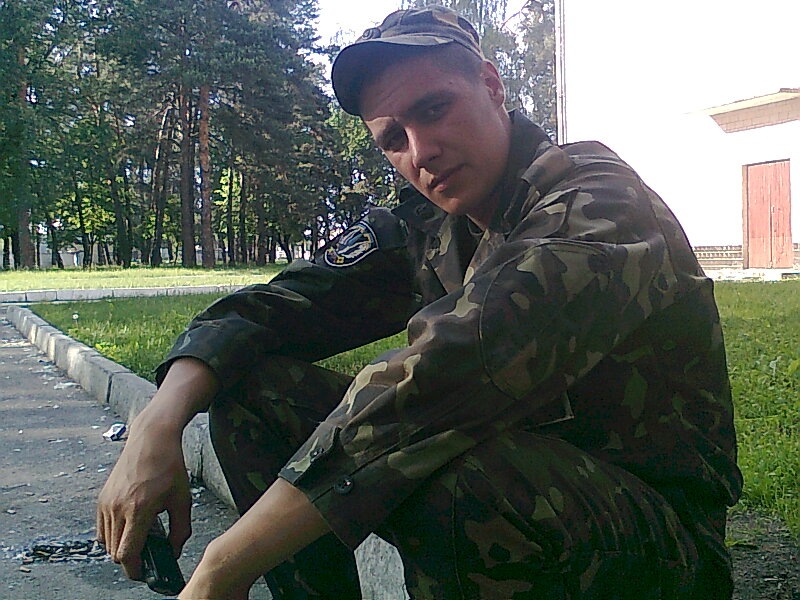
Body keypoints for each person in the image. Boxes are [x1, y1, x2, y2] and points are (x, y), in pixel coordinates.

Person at [96, 6, 743, 599]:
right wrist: (156, 427)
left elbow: (448, 370)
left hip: (659, 546)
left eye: (434, 109)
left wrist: (224, 566)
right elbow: (273, 308)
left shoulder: (596, 201)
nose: (421, 150)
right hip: (525, 491)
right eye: (393, 139)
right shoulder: (429, 225)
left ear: (492, 85)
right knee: (255, 395)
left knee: (449, 469)